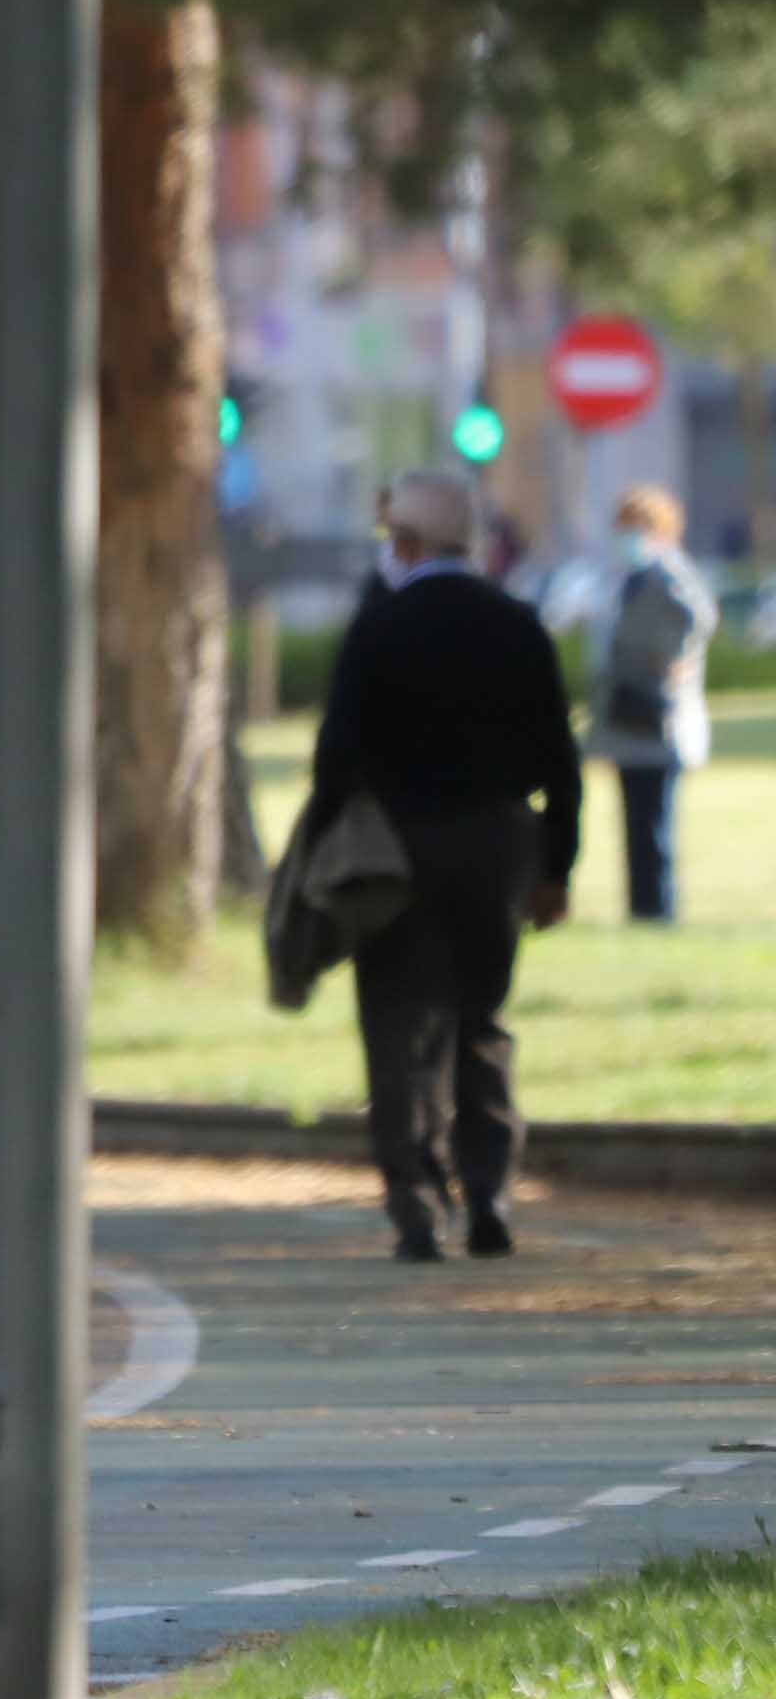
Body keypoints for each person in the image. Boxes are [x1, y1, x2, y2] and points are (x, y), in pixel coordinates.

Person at [305, 467, 580, 1260]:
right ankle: (490, 1190)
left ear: (406, 541)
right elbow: (559, 757)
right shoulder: (517, 624)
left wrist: (321, 846)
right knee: (481, 1016)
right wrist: (556, 864)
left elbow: (337, 753)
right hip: (498, 843)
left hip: (396, 848)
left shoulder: (380, 627)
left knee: (398, 1024)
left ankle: (418, 1204)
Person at [583, 484, 712, 924]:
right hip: (628, 718)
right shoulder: (629, 576)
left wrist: (672, 657)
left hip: (658, 718)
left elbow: (696, 618)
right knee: (637, 823)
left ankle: (657, 908)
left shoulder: (667, 571)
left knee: (655, 823)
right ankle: (642, 907)